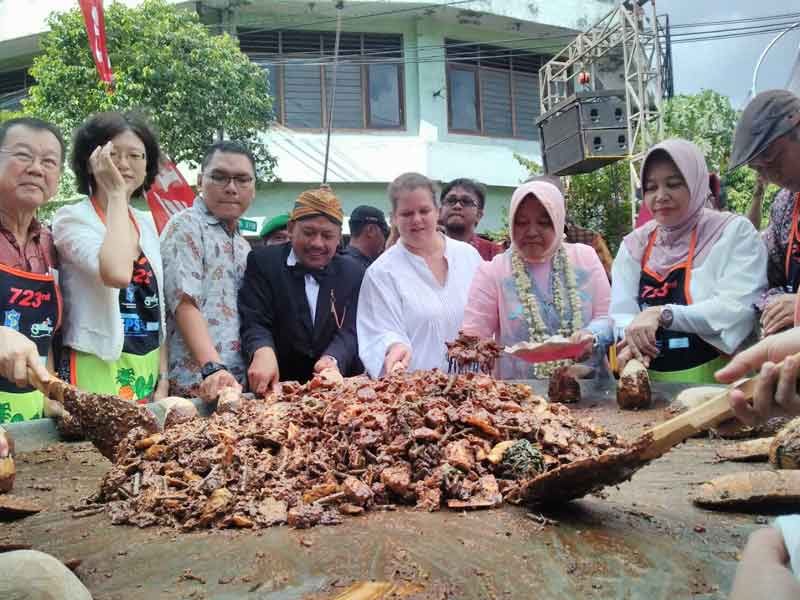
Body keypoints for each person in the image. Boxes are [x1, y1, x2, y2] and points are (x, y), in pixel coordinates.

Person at [610, 138, 766, 383]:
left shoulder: (733, 232)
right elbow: (621, 313)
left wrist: (663, 313)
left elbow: (737, 310)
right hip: (651, 386)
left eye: (673, 184)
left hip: (722, 384)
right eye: (651, 187)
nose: (661, 196)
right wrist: (633, 339)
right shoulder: (634, 245)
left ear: (697, 183)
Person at [54, 112, 168, 403]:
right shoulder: (72, 219)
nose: (124, 164)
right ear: (92, 161)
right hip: (97, 362)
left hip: (146, 362)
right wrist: (117, 195)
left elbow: (157, 303)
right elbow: (117, 274)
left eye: (136, 155)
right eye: (112, 154)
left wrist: (163, 375)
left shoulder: (145, 222)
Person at [461, 180, 611, 379]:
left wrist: (592, 336)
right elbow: (473, 336)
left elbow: (609, 317)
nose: (531, 232)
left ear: (558, 221)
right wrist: (476, 352)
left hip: (591, 392)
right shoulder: (494, 270)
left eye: (543, 222)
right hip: (519, 400)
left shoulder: (585, 258)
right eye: (521, 223)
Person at [239, 186, 365, 391]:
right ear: (290, 228)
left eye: (327, 235)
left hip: (334, 389)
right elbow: (255, 320)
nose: (317, 243)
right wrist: (262, 349)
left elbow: (352, 328)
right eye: (308, 232)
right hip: (275, 387)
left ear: (339, 237)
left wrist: (333, 358)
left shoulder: (353, 272)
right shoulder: (263, 263)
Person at [357, 172, 483, 376]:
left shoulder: (468, 256)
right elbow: (379, 331)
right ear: (394, 218)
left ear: (438, 211)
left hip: (475, 389)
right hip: (417, 394)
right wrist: (393, 347)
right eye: (407, 214)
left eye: (424, 210)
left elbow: (487, 316)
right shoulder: (381, 273)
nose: (416, 220)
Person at [160, 141, 255, 401]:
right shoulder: (187, 226)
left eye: (242, 180)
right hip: (198, 387)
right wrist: (213, 368)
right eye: (220, 177)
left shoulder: (243, 245)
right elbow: (184, 303)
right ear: (200, 181)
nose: (231, 188)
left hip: (235, 387)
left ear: (253, 188)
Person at [0, 118, 65, 422]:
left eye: (49, 162)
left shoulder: (52, 245)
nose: (37, 169)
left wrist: (50, 397)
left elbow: (44, 336)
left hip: (26, 425)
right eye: (24, 156)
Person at [729, 90, 800, 337]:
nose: (768, 172)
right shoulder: (785, 206)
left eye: (772, 157)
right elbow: (761, 273)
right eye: (757, 167)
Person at [439, 178, 503, 261]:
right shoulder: (425, 248)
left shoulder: (493, 253)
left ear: (479, 215)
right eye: (451, 200)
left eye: (466, 201)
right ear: (440, 211)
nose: (457, 206)